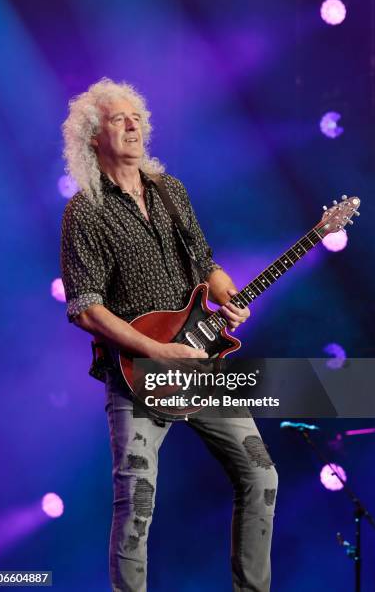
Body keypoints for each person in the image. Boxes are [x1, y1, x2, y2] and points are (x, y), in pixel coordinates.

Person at [61, 78, 278, 592]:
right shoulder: (85, 209)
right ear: (94, 136)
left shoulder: (170, 191)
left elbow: (206, 265)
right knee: (137, 500)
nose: (133, 124)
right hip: (136, 376)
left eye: (137, 116)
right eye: (118, 119)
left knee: (261, 476)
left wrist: (227, 295)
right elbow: (85, 308)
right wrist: (159, 350)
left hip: (200, 369)